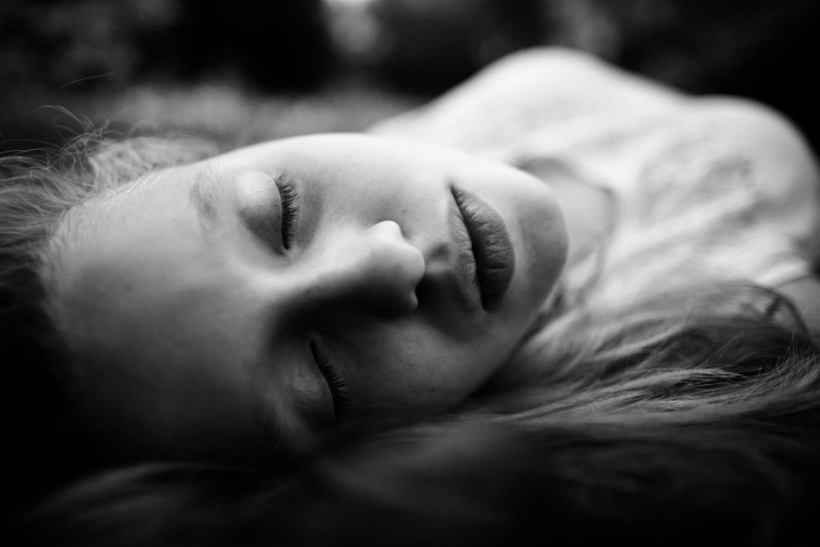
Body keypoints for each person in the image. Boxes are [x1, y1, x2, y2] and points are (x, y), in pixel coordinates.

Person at [4, 48, 820, 545]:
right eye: (326, 378)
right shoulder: (725, 328)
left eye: (280, 211)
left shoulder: (488, 115)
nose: (388, 263)